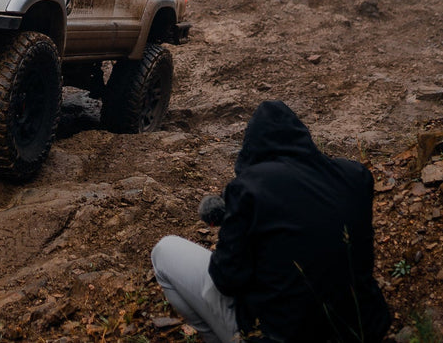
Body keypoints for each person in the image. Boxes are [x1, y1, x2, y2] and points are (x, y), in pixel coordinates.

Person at [151, 100, 391, 343]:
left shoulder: (249, 189)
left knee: (164, 251)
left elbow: (226, 279)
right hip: (361, 330)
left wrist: (236, 233)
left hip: (281, 334)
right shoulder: (356, 176)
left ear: (251, 148)